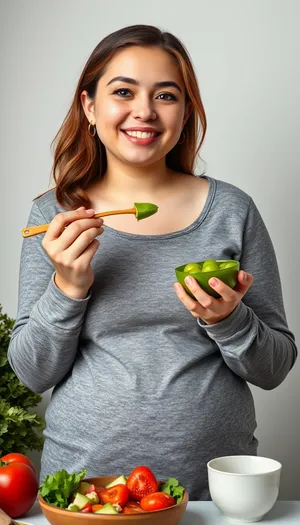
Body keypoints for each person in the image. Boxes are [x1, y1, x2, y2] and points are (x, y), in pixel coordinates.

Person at [8, 24, 297, 500]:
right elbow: (32, 374)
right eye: (123, 91)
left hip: (210, 490)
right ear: (90, 107)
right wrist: (68, 286)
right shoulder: (53, 215)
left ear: (185, 114)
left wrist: (228, 319)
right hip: (85, 489)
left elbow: (275, 368)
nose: (144, 110)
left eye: (166, 95)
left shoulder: (232, 211)